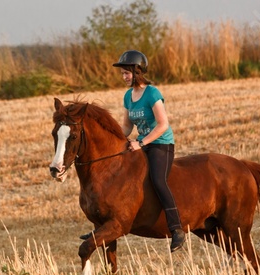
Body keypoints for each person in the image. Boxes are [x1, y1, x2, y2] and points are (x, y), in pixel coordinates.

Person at [80, 50, 186, 252]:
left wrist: (142, 143)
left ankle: (176, 228)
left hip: (160, 145)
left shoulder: (152, 93)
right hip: (141, 143)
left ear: (138, 72)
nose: (124, 77)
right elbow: (127, 127)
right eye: (122, 74)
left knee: (157, 180)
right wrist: (112, 140)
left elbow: (163, 125)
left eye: (127, 73)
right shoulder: (128, 96)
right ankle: (105, 226)